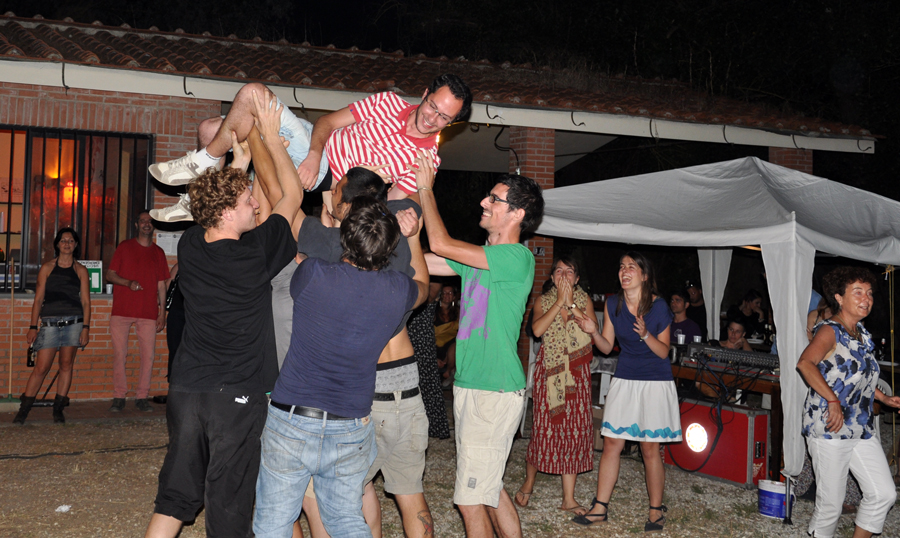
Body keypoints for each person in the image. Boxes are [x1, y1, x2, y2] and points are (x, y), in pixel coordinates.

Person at [144, 91, 301, 538]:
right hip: (233, 397)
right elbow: (291, 195)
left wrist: (239, 161)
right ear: (230, 211)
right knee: (229, 507)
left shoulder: (191, 245)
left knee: (175, 498)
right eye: (249, 200)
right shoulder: (256, 253)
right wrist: (272, 142)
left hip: (186, 391)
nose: (256, 204)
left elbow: (215, 204)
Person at [252, 196, 426, 538]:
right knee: (345, 521)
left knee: (273, 523)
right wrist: (415, 237)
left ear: (345, 236)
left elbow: (298, 256)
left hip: (292, 418)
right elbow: (422, 285)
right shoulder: (398, 290)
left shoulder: (312, 273)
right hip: (351, 424)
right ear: (390, 248)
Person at [419, 150, 544, 538]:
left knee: (470, 499)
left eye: (494, 199)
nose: (483, 202)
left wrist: (425, 189)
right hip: (474, 386)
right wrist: (399, 231)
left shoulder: (516, 257)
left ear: (517, 214)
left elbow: (441, 244)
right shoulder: (482, 259)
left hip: (493, 390)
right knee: (487, 488)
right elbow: (423, 261)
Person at [148, 74, 472, 222]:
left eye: (444, 117)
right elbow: (327, 122)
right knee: (209, 129)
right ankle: (199, 198)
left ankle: (203, 168)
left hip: (331, 177)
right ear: (425, 94)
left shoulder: (426, 159)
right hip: (313, 146)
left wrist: (353, 191)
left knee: (253, 93)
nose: (432, 118)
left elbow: (386, 207)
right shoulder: (388, 102)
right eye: (432, 106)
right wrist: (315, 154)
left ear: (453, 122)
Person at [573, 252, 680, 532]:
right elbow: (607, 347)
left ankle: (655, 510)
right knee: (611, 442)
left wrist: (645, 335)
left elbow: (663, 352)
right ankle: (600, 507)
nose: (625, 271)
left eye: (632, 266)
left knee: (649, 447)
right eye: (622, 266)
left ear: (644, 275)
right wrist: (593, 332)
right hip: (625, 377)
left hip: (655, 380)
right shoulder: (613, 304)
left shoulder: (659, 307)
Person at [797, 266, 899, 538]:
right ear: (839, 298)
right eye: (858, 292)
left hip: (860, 426)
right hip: (830, 425)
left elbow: (858, 378)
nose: (867, 299)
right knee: (831, 504)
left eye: (869, 293)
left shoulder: (861, 334)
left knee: (883, 493)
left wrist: (883, 397)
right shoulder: (830, 330)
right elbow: (805, 363)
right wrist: (832, 399)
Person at [515, 256, 595, 515]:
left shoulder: (584, 300)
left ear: (577, 278)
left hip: (577, 374)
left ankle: (568, 498)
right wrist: (560, 301)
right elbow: (537, 330)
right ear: (551, 277)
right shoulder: (543, 301)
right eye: (558, 270)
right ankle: (529, 482)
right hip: (549, 372)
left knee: (574, 430)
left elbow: (592, 330)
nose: (563, 275)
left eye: (569, 271)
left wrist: (571, 304)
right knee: (543, 429)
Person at [14, 228, 91, 424]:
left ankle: (58, 409)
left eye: (71, 241)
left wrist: (86, 327)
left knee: (66, 365)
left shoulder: (81, 270)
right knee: (41, 367)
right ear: (57, 244)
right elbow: (38, 299)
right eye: (63, 240)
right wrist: (33, 326)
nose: (67, 244)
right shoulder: (47, 267)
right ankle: (23, 411)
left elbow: (86, 302)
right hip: (49, 323)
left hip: (74, 323)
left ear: (75, 245)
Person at [106, 211, 169, 412]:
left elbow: (162, 285)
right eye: (143, 221)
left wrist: (162, 313)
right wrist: (128, 283)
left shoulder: (158, 252)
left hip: (148, 312)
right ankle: (119, 396)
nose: (146, 224)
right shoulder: (124, 247)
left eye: (150, 221)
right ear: (136, 225)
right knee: (120, 354)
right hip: (122, 310)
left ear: (154, 225)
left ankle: (142, 396)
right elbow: (110, 275)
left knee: (148, 357)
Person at [408, 280, 452, 439]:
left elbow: (429, 296)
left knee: (429, 386)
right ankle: (410, 430)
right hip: (405, 336)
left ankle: (435, 428)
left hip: (422, 340)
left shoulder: (433, 280)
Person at [434, 284, 460, 385]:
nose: (447, 295)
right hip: (434, 346)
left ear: (454, 296)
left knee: (457, 344)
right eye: (444, 293)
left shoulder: (458, 312)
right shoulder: (433, 311)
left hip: (450, 347)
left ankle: (449, 371)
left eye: (450, 293)